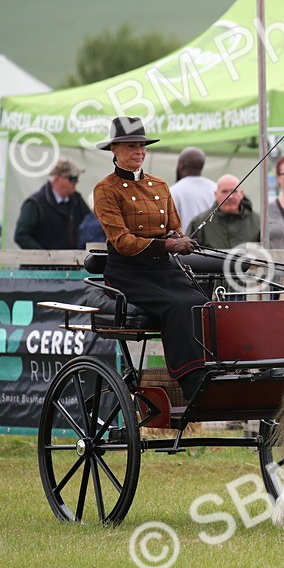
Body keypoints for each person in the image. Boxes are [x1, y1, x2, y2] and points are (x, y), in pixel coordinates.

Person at [93, 116, 209, 402]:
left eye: (142, 146)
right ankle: (190, 377)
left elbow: (174, 225)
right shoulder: (105, 190)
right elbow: (122, 241)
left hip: (162, 269)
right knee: (177, 304)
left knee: (203, 302)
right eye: (131, 146)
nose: (139, 151)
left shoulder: (160, 185)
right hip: (128, 272)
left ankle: (213, 369)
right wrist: (169, 244)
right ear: (114, 151)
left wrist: (181, 240)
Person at [13, 158, 90, 250]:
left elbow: (90, 225)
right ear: (57, 179)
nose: (77, 182)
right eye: (72, 178)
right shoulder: (35, 203)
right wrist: (45, 256)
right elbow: (21, 236)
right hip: (43, 263)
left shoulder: (77, 200)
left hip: (72, 262)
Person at [187, 174, 260, 249]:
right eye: (224, 192)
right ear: (216, 195)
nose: (230, 197)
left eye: (234, 191)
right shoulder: (199, 222)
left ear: (241, 194)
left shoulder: (258, 222)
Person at [169, 146, 216, 225]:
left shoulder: (174, 191)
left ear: (181, 167)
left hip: (186, 237)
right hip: (212, 237)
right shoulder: (216, 188)